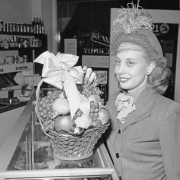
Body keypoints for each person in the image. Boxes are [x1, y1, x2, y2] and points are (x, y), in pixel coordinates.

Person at [85, 2, 180, 180]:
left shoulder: (168, 111)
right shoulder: (112, 101)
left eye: (130, 63)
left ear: (150, 66)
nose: (120, 70)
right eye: (119, 62)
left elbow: (175, 174)